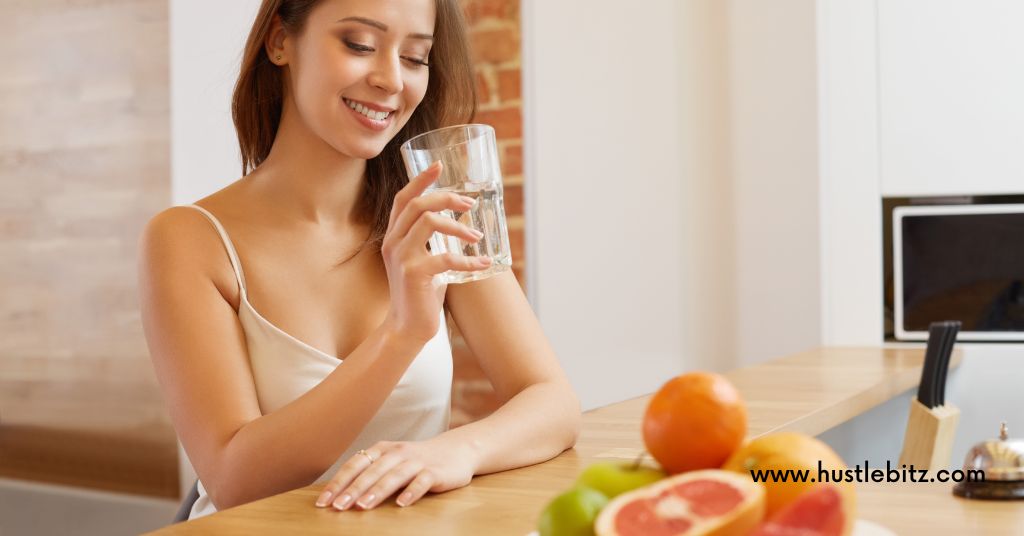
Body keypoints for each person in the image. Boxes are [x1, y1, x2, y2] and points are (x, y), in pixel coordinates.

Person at [138, 0, 580, 520]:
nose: (391, 79)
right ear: (280, 41)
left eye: (416, 58)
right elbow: (235, 479)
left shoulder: (435, 213)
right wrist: (402, 333)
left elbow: (552, 403)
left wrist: (456, 451)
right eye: (360, 45)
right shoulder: (188, 239)